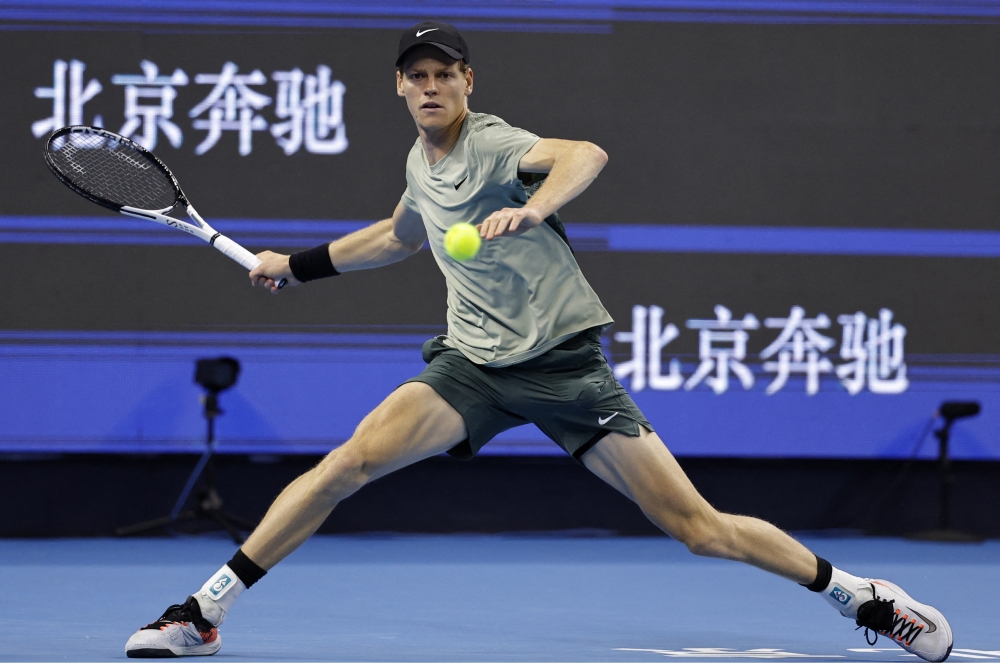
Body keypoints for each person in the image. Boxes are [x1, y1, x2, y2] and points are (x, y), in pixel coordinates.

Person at [124, 21, 953, 661]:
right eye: (418, 76)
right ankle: (203, 611)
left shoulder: (492, 142)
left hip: (563, 370)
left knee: (700, 529)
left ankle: (859, 596)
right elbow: (398, 234)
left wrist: (538, 203)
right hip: (471, 367)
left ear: (467, 81)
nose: (431, 86)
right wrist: (294, 267)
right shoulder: (421, 161)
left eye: (445, 74)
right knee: (346, 465)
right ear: (401, 90)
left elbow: (584, 152)